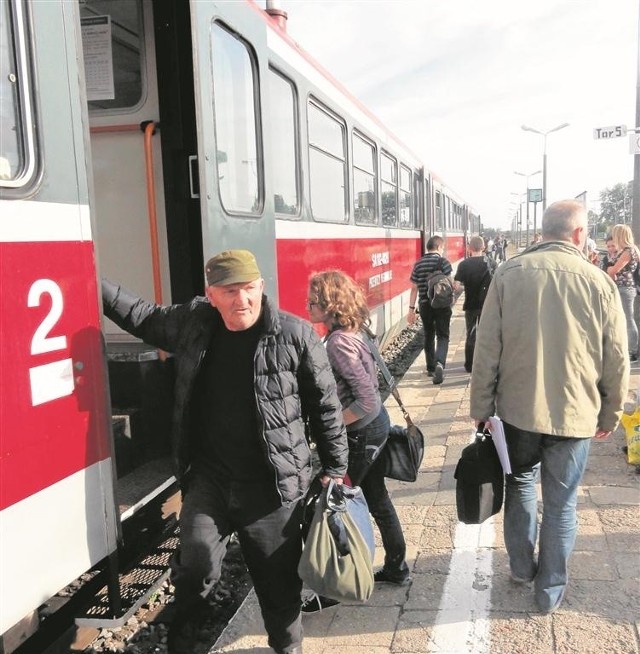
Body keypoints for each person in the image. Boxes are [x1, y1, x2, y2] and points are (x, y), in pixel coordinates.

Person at [102, 250, 348, 654]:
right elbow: (142, 315)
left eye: (249, 289)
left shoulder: (294, 335)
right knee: (195, 566)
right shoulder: (193, 325)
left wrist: (335, 469)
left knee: (278, 586)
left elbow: (326, 406)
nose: (242, 301)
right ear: (210, 294)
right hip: (210, 481)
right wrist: (91, 277)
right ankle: (183, 645)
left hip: (272, 488)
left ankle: (288, 648)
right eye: (229, 292)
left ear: (262, 288)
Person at [470, 200, 628, 615]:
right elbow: (616, 357)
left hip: (518, 411)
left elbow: (487, 347)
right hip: (576, 415)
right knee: (562, 503)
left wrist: (481, 405)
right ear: (579, 235)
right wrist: (610, 413)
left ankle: (522, 569)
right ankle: (550, 590)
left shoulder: (509, 273)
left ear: (542, 231)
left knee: (521, 486)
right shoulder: (599, 281)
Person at [303, 271, 410, 612]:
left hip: (361, 432)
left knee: (339, 504)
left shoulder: (338, 342)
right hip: (372, 429)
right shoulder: (356, 328)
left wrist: (333, 425)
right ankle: (396, 566)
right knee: (377, 499)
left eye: (313, 302)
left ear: (331, 305)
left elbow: (366, 399)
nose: (307, 307)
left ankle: (339, 583)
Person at [408, 235, 453, 384]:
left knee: (428, 334)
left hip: (425, 304)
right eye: (443, 248)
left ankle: (430, 368)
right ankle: (440, 363)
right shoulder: (443, 262)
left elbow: (414, 288)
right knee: (443, 335)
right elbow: (450, 283)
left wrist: (411, 309)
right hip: (442, 304)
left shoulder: (418, 264)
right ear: (439, 247)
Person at [453, 235, 498, 373]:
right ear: (483, 247)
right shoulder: (491, 263)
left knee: (471, 334)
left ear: (469, 248)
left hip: (471, 304)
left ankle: (469, 365)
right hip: (488, 305)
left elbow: (456, 286)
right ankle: (487, 364)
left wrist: (466, 288)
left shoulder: (464, 264)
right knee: (488, 335)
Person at [607, 224, 640, 361]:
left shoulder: (627, 251)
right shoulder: (632, 250)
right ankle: (630, 349)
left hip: (624, 287)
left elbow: (614, 270)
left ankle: (632, 350)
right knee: (626, 318)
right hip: (626, 287)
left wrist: (610, 270)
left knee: (627, 319)